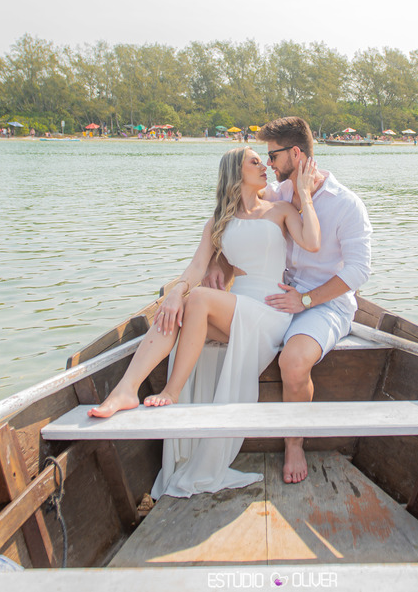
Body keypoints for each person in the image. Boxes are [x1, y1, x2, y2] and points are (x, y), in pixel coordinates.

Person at [89, 146, 321, 498]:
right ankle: (125, 390)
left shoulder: (282, 210)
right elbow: (197, 268)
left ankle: (172, 392)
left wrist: (304, 193)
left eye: (264, 160)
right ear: (236, 172)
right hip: (235, 305)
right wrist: (174, 291)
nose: (265, 166)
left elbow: (313, 242)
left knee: (195, 299)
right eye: (255, 162)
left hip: (269, 309)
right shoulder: (218, 221)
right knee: (178, 309)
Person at [209, 116, 372, 484]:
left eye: (273, 155)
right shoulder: (277, 194)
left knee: (294, 361)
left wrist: (308, 299)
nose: (267, 164)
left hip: (325, 303)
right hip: (275, 297)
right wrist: (219, 263)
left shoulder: (347, 204)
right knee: (204, 330)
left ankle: (294, 441)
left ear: (295, 153)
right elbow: (239, 223)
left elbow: (359, 272)